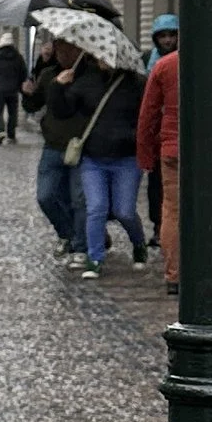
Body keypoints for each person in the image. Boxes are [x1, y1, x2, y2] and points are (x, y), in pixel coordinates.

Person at [51, 47, 146, 274]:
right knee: (96, 208)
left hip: (127, 159)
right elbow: (63, 111)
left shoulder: (137, 84)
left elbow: (147, 117)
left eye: (108, 55)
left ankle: (139, 243)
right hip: (93, 159)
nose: (103, 59)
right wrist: (58, 87)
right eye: (99, 55)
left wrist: (134, 137)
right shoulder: (86, 81)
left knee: (124, 211)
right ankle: (95, 258)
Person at [21, 37, 88, 261]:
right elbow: (33, 105)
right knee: (46, 196)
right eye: (59, 47)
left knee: (79, 200)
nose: (62, 53)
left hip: (80, 147)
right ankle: (67, 234)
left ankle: (80, 245)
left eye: (69, 47)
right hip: (52, 145)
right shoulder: (49, 74)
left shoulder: (89, 76)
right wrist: (28, 93)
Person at [136, 25, 180, 291]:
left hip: (172, 149)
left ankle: (174, 274)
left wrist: (145, 155)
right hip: (211, 152)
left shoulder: (164, 66)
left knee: (172, 212)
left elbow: (148, 114)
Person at [0, 36, 27, 143]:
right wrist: (19, 86)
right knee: (13, 112)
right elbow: (23, 73)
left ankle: (0, 131)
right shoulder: (19, 58)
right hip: (13, 89)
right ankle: (11, 134)